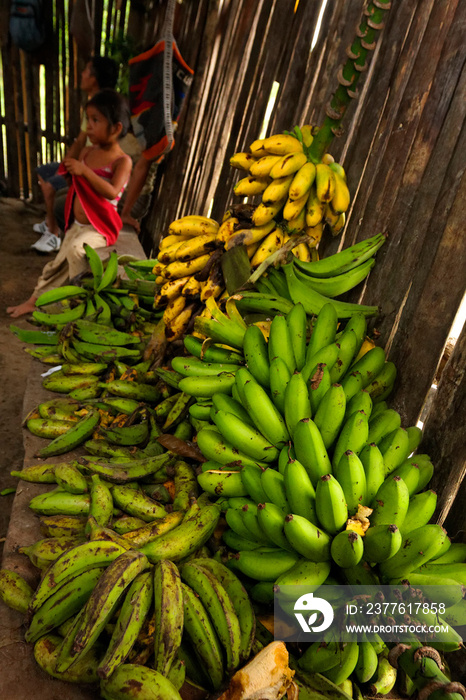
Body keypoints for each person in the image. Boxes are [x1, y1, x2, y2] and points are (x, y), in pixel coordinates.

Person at [7, 89, 132, 318]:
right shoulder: (86, 151)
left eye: (96, 120)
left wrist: (85, 171)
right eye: (88, 119)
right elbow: (66, 165)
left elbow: (112, 192)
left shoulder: (122, 160)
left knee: (76, 252)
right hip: (77, 226)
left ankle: (80, 304)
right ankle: (35, 300)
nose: (90, 125)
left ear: (116, 128)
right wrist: (82, 137)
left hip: (100, 227)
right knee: (56, 265)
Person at [32, 56, 119, 253]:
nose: (81, 74)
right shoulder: (93, 105)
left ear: (95, 78)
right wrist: (66, 163)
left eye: (86, 70)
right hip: (81, 165)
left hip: (88, 171)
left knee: (49, 186)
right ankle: (49, 223)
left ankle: (53, 234)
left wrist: (76, 169)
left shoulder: (107, 108)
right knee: (43, 172)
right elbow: (80, 140)